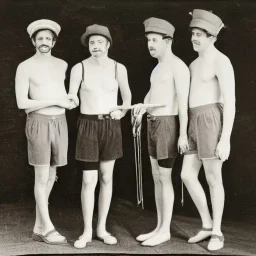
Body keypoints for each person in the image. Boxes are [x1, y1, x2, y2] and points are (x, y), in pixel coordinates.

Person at [68, 24, 132, 248]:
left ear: (107, 44)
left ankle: (101, 228)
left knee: (106, 177)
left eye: (99, 42)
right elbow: (71, 96)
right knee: (89, 180)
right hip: (88, 125)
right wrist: (71, 100)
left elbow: (126, 100)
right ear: (88, 45)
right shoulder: (79, 68)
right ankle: (86, 232)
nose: (95, 46)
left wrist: (121, 112)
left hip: (110, 126)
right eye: (91, 42)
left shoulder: (118, 68)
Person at [15, 19, 76, 245]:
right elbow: (23, 103)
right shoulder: (25, 66)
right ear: (33, 41)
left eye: (48, 38)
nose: (44, 42)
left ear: (53, 41)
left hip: (59, 122)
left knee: (51, 175)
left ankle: (39, 226)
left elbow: (64, 95)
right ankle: (48, 226)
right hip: (38, 123)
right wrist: (56, 100)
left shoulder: (62, 64)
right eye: (39, 38)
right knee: (41, 176)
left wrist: (69, 100)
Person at [181, 9, 235, 251]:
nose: (194, 38)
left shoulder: (221, 60)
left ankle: (217, 232)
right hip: (193, 119)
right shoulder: (192, 64)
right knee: (187, 175)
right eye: (193, 33)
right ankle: (206, 224)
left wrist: (226, 139)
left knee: (214, 178)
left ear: (212, 37)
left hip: (212, 119)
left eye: (200, 34)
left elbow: (230, 101)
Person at [134, 17, 190, 246]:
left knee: (164, 177)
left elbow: (183, 103)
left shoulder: (178, 66)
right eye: (148, 40)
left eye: (154, 40)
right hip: (152, 123)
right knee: (157, 177)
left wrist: (184, 134)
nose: (150, 45)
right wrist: (139, 110)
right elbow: (151, 95)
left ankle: (165, 230)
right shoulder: (157, 68)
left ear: (168, 41)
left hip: (168, 125)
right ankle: (159, 226)